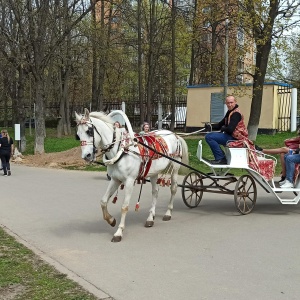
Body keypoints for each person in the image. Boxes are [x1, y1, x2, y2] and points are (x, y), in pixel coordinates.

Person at [204, 95, 248, 164]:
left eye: (231, 102)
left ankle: (221, 158)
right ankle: (221, 157)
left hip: (236, 138)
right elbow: (220, 125)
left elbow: (230, 129)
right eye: (228, 103)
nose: (230, 105)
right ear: (226, 103)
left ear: (235, 102)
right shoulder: (230, 112)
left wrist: (224, 128)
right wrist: (210, 126)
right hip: (232, 136)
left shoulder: (236, 114)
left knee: (209, 137)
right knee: (210, 136)